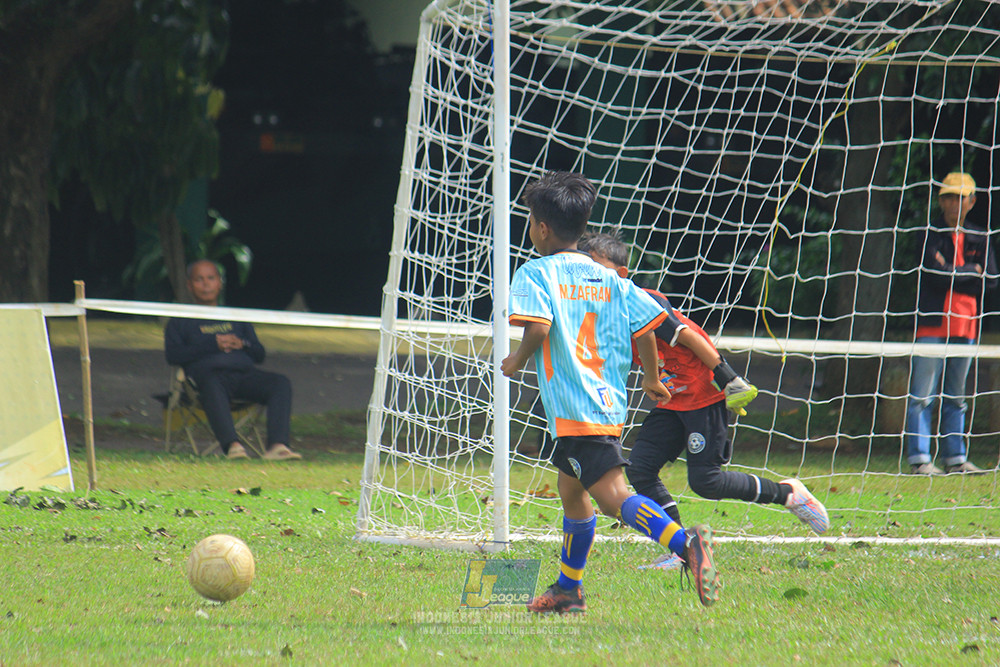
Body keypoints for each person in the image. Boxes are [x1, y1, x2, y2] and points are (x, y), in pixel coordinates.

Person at [501, 171, 721, 611]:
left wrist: (517, 360)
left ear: (542, 228)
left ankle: (686, 543)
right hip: (604, 403)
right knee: (572, 491)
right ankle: (568, 589)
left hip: (576, 405)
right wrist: (652, 377)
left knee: (612, 496)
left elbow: (539, 327)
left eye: (529, 221)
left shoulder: (534, 272)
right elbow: (649, 325)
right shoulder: (611, 279)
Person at [578, 233, 829, 569]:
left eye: (597, 267)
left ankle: (788, 494)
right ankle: (681, 549)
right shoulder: (595, 311)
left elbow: (690, 336)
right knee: (640, 468)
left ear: (621, 273)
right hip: (670, 400)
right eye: (584, 268)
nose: (590, 275)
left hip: (702, 395)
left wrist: (727, 377)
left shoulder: (642, 300)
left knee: (706, 482)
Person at [164, 259, 302, 461]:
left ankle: (277, 446)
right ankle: (233, 446)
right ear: (189, 285)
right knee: (212, 384)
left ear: (220, 282)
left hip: (244, 376)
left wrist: (242, 344)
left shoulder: (235, 315)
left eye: (211, 278)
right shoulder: (180, 319)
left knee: (280, 383)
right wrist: (213, 345)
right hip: (208, 380)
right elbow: (173, 356)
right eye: (199, 279)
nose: (206, 284)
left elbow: (259, 354)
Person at [906, 172, 997, 475]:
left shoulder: (979, 236)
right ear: (940, 200)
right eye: (947, 196)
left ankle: (955, 458)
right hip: (932, 325)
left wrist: (954, 271)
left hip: (966, 327)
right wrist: (971, 270)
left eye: (959, 197)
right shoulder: (929, 233)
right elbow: (933, 273)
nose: (952, 203)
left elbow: (990, 281)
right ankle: (920, 459)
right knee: (922, 395)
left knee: (956, 396)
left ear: (971, 202)